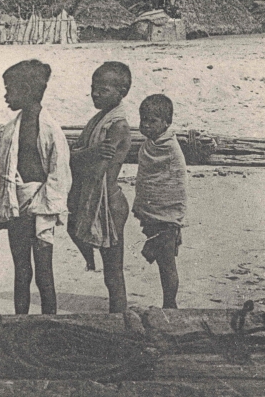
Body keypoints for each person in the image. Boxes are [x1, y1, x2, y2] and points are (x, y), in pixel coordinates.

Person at [0, 60, 71, 314]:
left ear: (26, 90)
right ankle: (20, 322)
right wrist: (2, 216)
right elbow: (7, 177)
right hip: (17, 208)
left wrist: (46, 208)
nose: (5, 96)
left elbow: (59, 174)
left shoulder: (50, 129)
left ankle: (50, 325)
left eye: (9, 89)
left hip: (41, 207)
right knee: (21, 272)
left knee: (44, 274)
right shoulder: (12, 128)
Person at [67, 62, 132, 313]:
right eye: (93, 88)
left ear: (122, 91)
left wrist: (81, 155)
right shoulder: (98, 120)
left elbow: (95, 169)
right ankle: (90, 260)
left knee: (113, 272)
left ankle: (119, 319)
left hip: (109, 203)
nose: (95, 94)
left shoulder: (118, 126)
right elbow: (81, 156)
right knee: (73, 229)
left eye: (102, 90)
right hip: (93, 197)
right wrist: (88, 153)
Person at [133, 94, 187, 309]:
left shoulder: (170, 148)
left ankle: (170, 304)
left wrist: (170, 212)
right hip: (153, 214)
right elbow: (148, 179)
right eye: (143, 120)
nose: (145, 125)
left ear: (167, 122)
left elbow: (176, 184)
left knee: (167, 264)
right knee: (163, 260)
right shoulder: (151, 144)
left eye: (152, 121)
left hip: (167, 215)